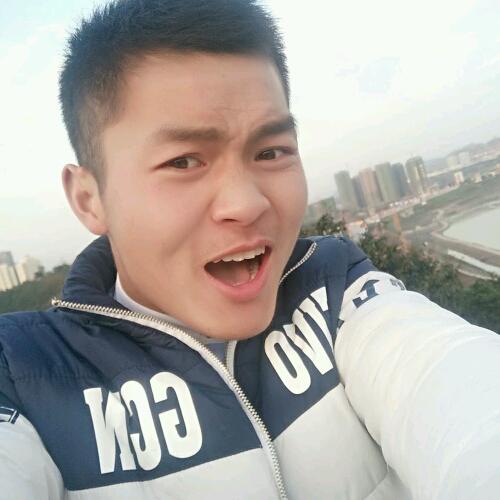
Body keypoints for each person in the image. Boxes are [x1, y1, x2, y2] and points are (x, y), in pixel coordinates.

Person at [1, 0, 499, 498]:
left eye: (270, 152)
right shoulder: (26, 376)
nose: (246, 203)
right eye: (183, 161)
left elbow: (451, 381)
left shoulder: (334, 289)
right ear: (89, 199)